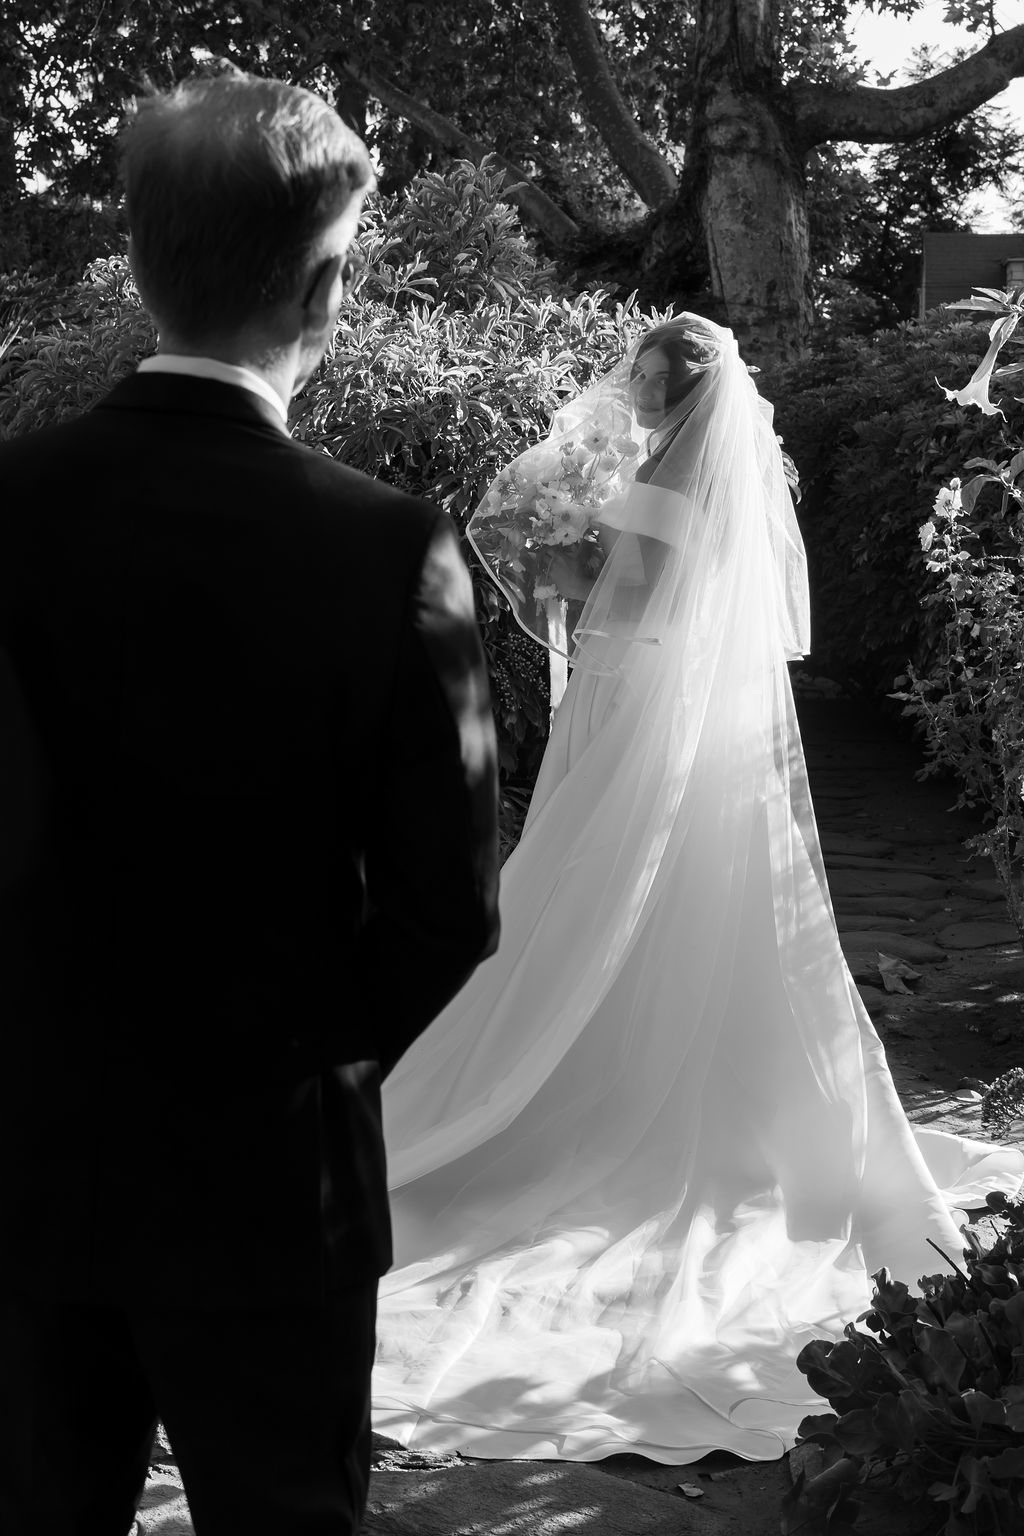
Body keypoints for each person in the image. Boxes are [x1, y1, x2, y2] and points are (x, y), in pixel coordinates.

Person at [371, 316, 1023, 1464]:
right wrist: (584, 554)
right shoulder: (704, 475)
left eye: (644, 379)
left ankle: (598, 1079)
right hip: (684, 719)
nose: (630, 388)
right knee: (679, 896)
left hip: (639, 713)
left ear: (677, 397)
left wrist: (568, 557)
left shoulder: (663, 486)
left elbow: (624, 604)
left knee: (599, 887)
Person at [0, 71, 500, 1536]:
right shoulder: (388, 545)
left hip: (20, 1165)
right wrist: (294, 1059)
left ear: (142, 258)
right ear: (329, 286)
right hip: (273, 1187)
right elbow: (448, 910)